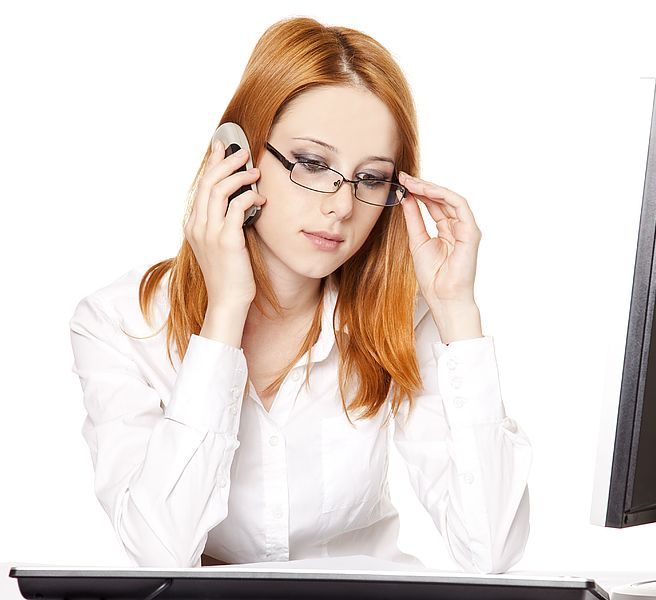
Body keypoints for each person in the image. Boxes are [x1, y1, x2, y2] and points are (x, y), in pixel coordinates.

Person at [69, 16, 532, 572]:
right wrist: (225, 314)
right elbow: (161, 552)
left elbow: (490, 552)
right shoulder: (119, 324)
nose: (341, 206)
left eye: (371, 178)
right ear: (235, 155)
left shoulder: (404, 318)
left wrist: (457, 311)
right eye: (313, 164)